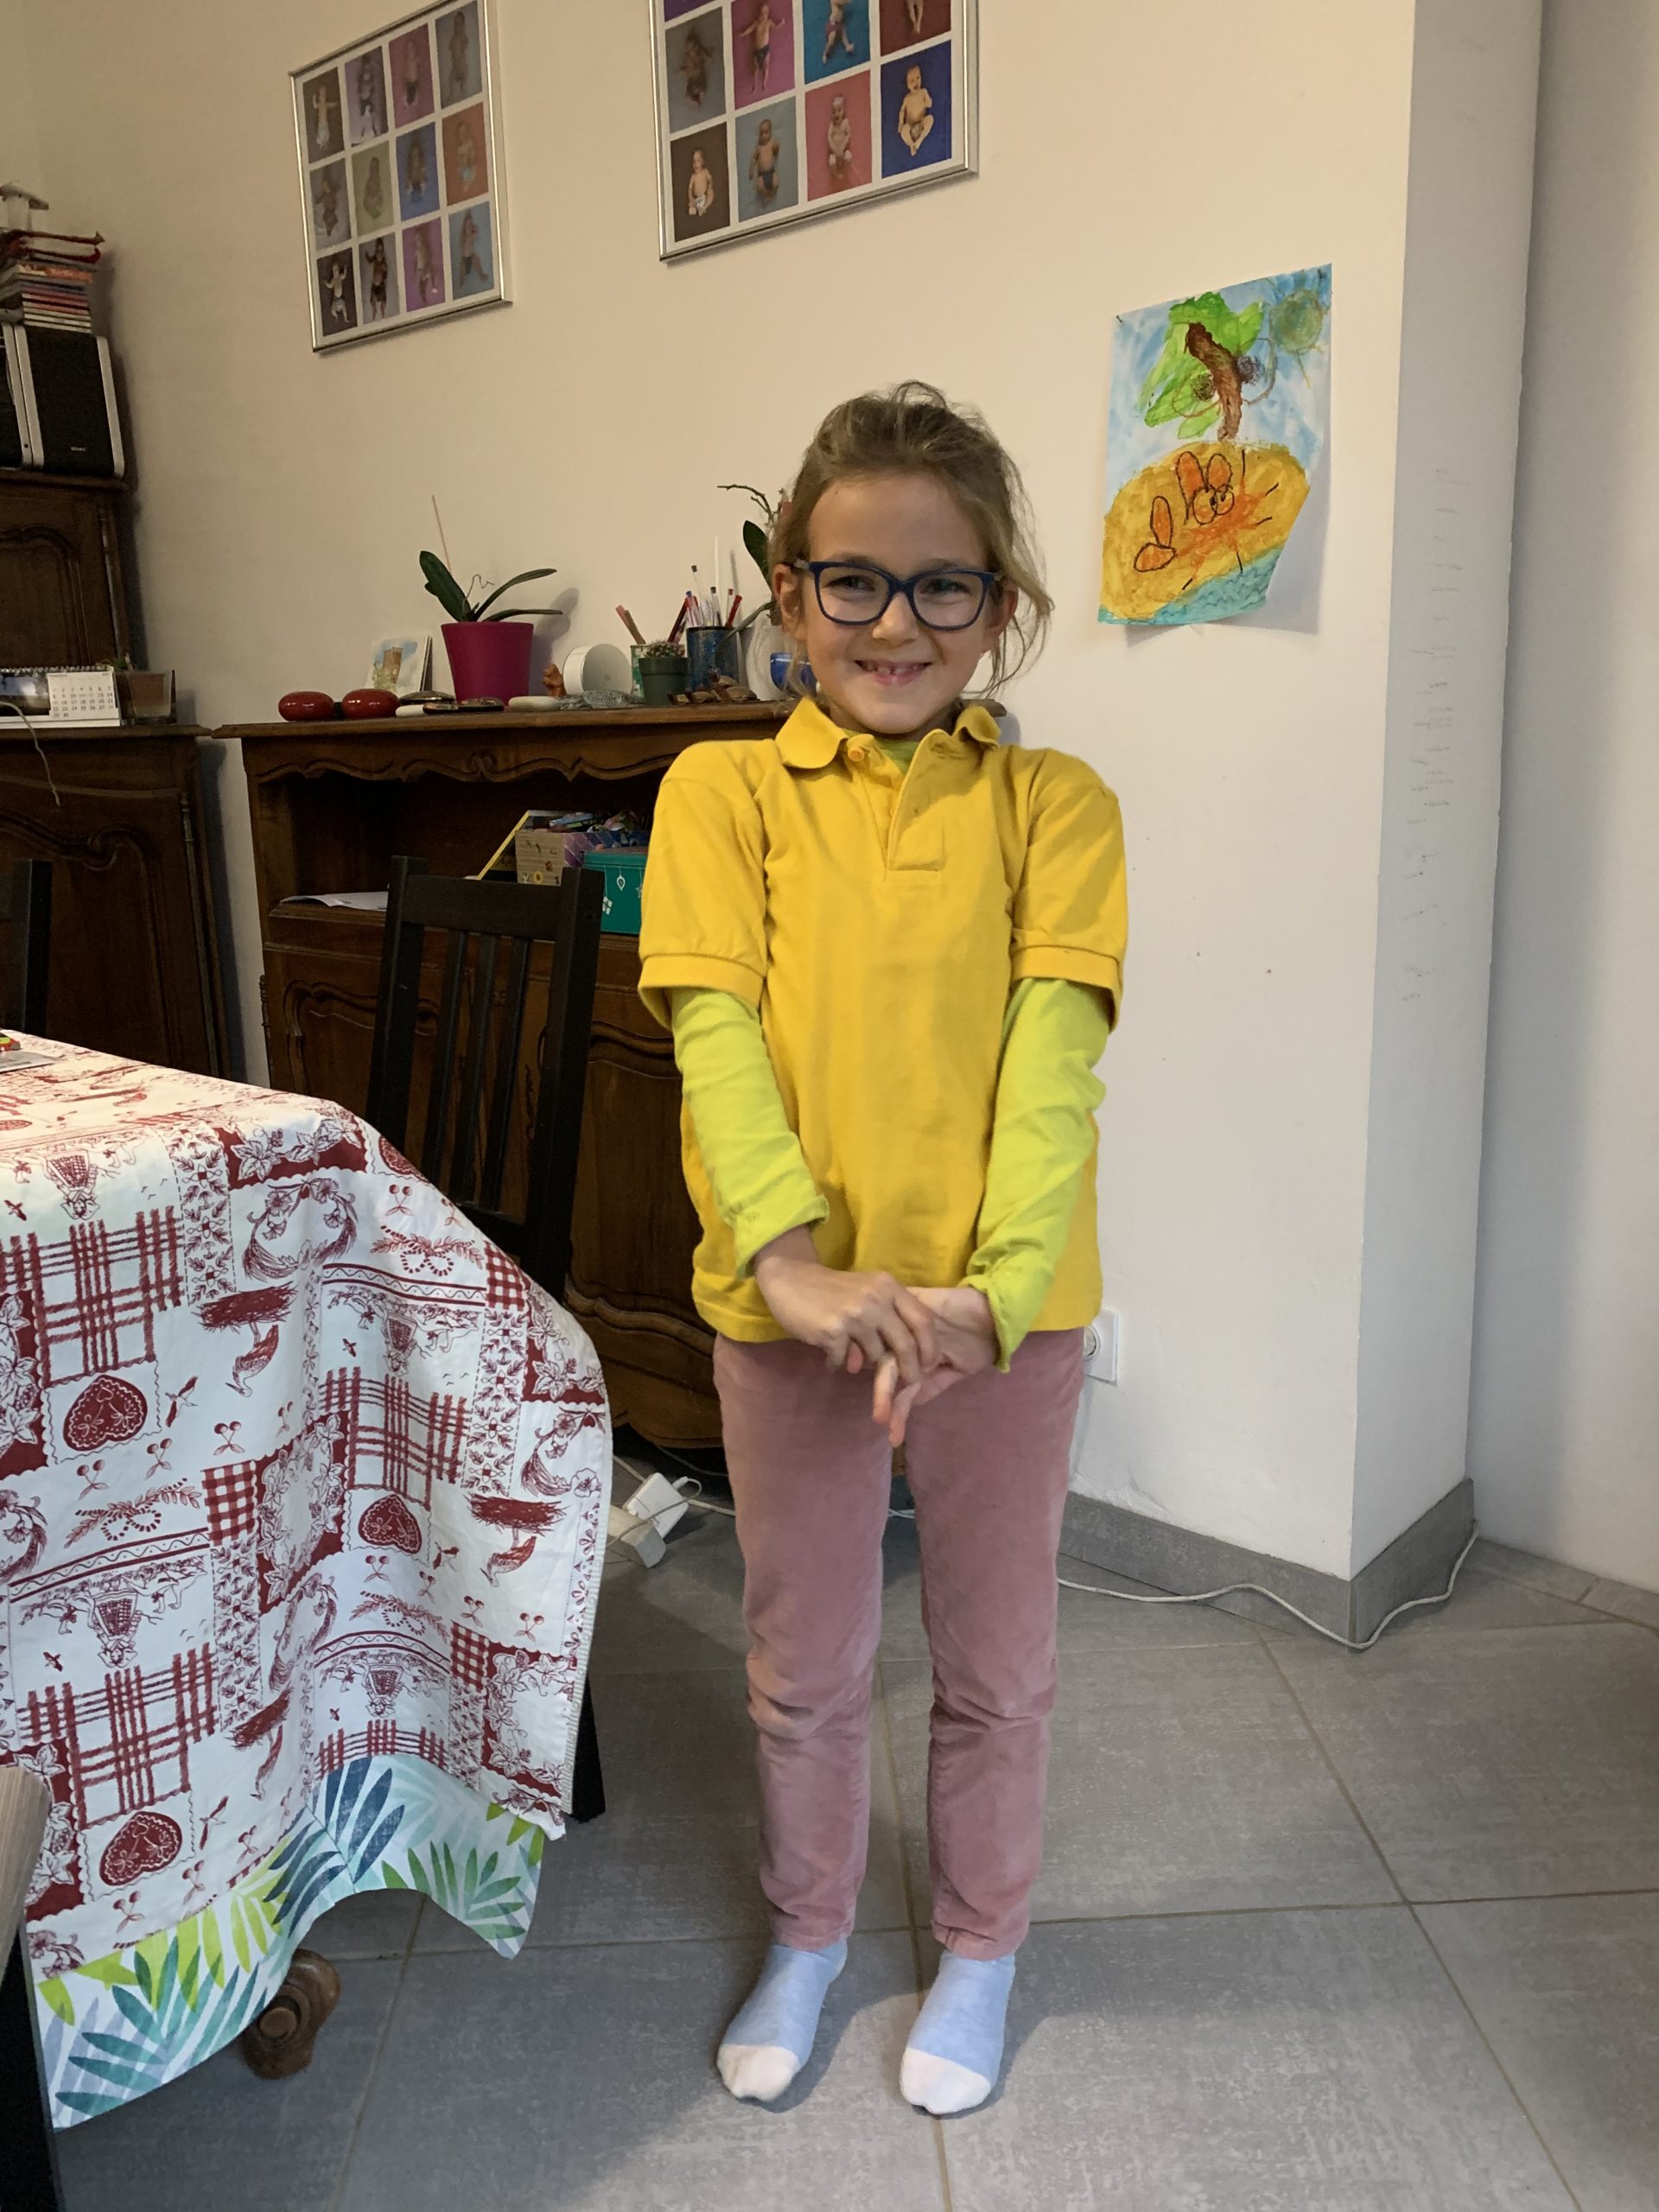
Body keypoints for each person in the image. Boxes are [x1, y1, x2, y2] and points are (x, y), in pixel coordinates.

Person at [639, 383, 1127, 2118]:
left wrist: (998, 1292)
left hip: (1004, 1321)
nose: (896, 622)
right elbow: (715, 1039)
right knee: (804, 1663)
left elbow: (1053, 1067)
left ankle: (982, 1946)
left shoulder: (1058, 805)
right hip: (793, 1316)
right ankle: (811, 1928)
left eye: (945, 584)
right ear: (790, 592)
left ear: (1000, 606)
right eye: (854, 580)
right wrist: (787, 1264)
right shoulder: (719, 792)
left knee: (996, 1664)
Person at [896, 60, 934, 156]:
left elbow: (929, 104)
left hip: (921, 123)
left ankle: (919, 141)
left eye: (918, 78)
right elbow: (902, 111)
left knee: (930, 119)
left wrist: (927, 102)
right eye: (912, 81)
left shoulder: (923, 92)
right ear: (908, 85)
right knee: (904, 130)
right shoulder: (907, 98)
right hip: (910, 126)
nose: (916, 82)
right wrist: (901, 123)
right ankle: (911, 145)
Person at [742, 1, 777, 93]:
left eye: (765, 13)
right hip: (758, 49)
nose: (763, 15)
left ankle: (764, 84)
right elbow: (750, 29)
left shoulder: (768, 22)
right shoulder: (756, 23)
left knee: (766, 67)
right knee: (756, 69)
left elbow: (775, 26)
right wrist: (743, 33)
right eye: (761, 13)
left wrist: (780, 24)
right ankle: (754, 86)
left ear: (768, 14)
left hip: (765, 49)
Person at [749, 117, 781, 205]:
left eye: (766, 133)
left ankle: (772, 193)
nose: (763, 136)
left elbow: (776, 154)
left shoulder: (772, 143)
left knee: (776, 184)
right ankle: (767, 194)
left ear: (771, 132)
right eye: (761, 133)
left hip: (771, 172)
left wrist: (776, 148)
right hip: (761, 174)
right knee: (759, 187)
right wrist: (751, 170)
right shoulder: (759, 147)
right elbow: (754, 158)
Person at [824, 92, 854, 186]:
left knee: (848, 157)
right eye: (834, 112)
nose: (836, 114)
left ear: (844, 111)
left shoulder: (845, 122)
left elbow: (848, 135)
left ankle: (844, 170)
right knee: (832, 162)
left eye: (839, 111)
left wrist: (842, 148)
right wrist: (834, 149)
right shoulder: (832, 125)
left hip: (843, 151)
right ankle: (836, 174)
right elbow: (829, 137)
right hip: (834, 152)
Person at [822, 0, 857, 64]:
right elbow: (840, 3)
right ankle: (825, 53)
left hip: (839, 23)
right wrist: (846, 1)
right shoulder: (833, 1)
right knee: (832, 40)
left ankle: (847, 46)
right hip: (833, 23)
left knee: (843, 34)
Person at [687, 146, 715, 219]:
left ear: (702, 162)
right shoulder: (693, 176)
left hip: (705, 196)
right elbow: (690, 189)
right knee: (691, 207)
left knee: (711, 194)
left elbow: (710, 179)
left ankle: (703, 208)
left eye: (698, 161)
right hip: (697, 199)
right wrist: (691, 198)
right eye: (694, 161)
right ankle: (699, 209)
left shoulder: (705, 172)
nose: (695, 164)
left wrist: (710, 186)